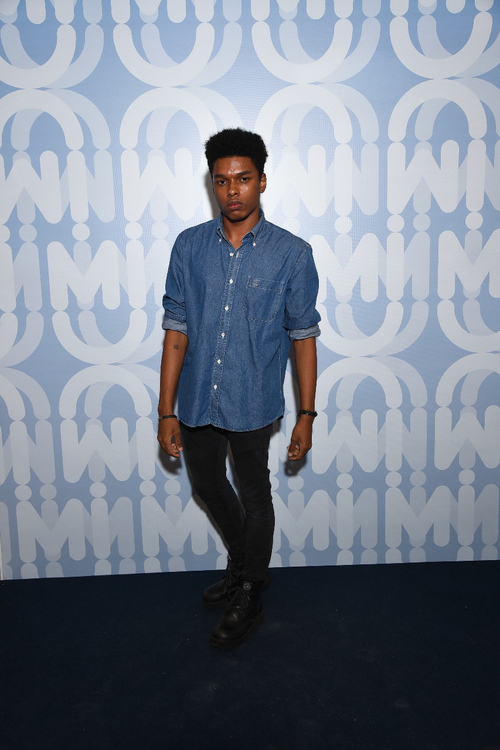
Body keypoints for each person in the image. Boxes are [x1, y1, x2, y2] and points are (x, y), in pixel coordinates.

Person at [157, 128, 320, 649]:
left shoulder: (293, 253)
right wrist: (165, 410)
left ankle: (250, 588)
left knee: (254, 496)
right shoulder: (188, 247)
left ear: (262, 181)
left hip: (252, 401)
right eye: (222, 181)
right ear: (213, 184)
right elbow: (176, 329)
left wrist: (306, 415)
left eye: (243, 179)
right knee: (207, 485)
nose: (233, 190)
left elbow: (303, 337)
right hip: (196, 399)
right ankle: (244, 563)